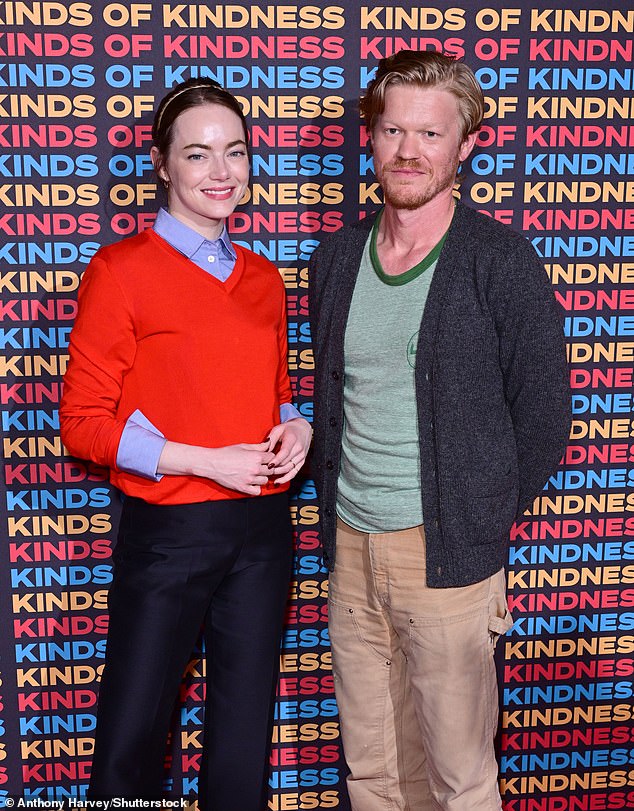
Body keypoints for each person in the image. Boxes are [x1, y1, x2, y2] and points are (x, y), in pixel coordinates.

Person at [308, 50, 571, 811]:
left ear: (466, 146)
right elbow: (334, 399)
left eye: (430, 133)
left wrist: (475, 514)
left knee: (460, 777)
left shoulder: (501, 261)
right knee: (375, 769)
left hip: (449, 556)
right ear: (372, 137)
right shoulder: (333, 261)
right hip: (352, 550)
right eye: (393, 130)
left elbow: (546, 416)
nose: (408, 151)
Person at [60, 77, 312, 808]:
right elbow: (82, 422)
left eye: (235, 152)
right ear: (162, 165)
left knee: (242, 743)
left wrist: (294, 421)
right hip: (169, 530)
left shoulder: (264, 277)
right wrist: (204, 460)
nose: (222, 172)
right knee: (130, 743)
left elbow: (271, 389)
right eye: (198, 155)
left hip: (263, 532)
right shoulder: (121, 270)